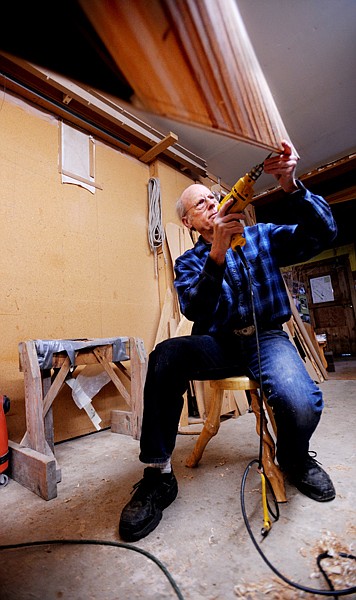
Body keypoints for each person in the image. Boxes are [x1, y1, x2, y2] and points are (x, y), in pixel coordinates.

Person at [119, 141, 337, 542]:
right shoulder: (188, 262)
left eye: (213, 196)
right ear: (189, 223)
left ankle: (294, 457)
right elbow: (197, 310)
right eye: (201, 204)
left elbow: (323, 233)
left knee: (299, 400)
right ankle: (158, 476)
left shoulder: (261, 237)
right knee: (166, 355)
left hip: (268, 338)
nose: (213, 202)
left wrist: (291, 185)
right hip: (217, 343)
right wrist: (217, 253)